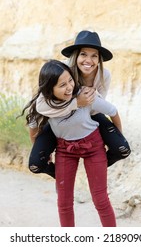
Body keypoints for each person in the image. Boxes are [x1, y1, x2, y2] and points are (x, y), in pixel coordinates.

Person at [22, 59, 120, 227]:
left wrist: (118, 137)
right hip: (65, 150)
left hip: (93, 147)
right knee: (64, 202)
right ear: (49, 89)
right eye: (62, 85)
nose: (69, 87)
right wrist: (43, 153)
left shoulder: (84, 95)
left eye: (70, 80)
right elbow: (33, 129)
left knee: (100, 199)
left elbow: (113, 111)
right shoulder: (46, 104)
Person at [29, 30, 131, 178]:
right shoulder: (63, 69)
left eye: (94, 56)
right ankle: (61, 172)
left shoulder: (104, 75)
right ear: (76, 55)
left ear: (99, 59)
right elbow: (41, 105)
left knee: (123, 149)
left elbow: (99, 106)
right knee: (36, 164)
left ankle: (95, 164)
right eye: (83, 54)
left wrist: (117, 137)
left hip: (91, 114)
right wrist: (77, 102)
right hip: (59, 117)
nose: (88, 60)